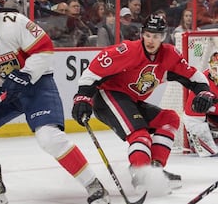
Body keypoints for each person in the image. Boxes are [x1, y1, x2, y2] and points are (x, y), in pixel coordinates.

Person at [0, 0, 110, 204]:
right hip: (3, 91)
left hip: (37, 84)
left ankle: (94, 185)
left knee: (49, 138)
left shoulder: (14, 22)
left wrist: (26, 74)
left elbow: (44, 49)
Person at [71, 14, 215, 195]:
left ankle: (154, 171)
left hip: (131, 101)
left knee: (168, 119)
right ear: (142, 34)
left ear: (163, 37)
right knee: (140, 134)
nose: (151, 40)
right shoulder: (127, 51)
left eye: (156, 36)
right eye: (147, 35)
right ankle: (140, 173)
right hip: (108, 96)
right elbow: (93, 71)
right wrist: (82, 98)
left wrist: (204, 92)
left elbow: (193, 76)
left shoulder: (169, 55)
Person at [183, 52, 218, 157]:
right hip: (211, 118)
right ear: (210, 68)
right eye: (215, 69)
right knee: (208, 151)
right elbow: (191, 118)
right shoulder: (201, 83)